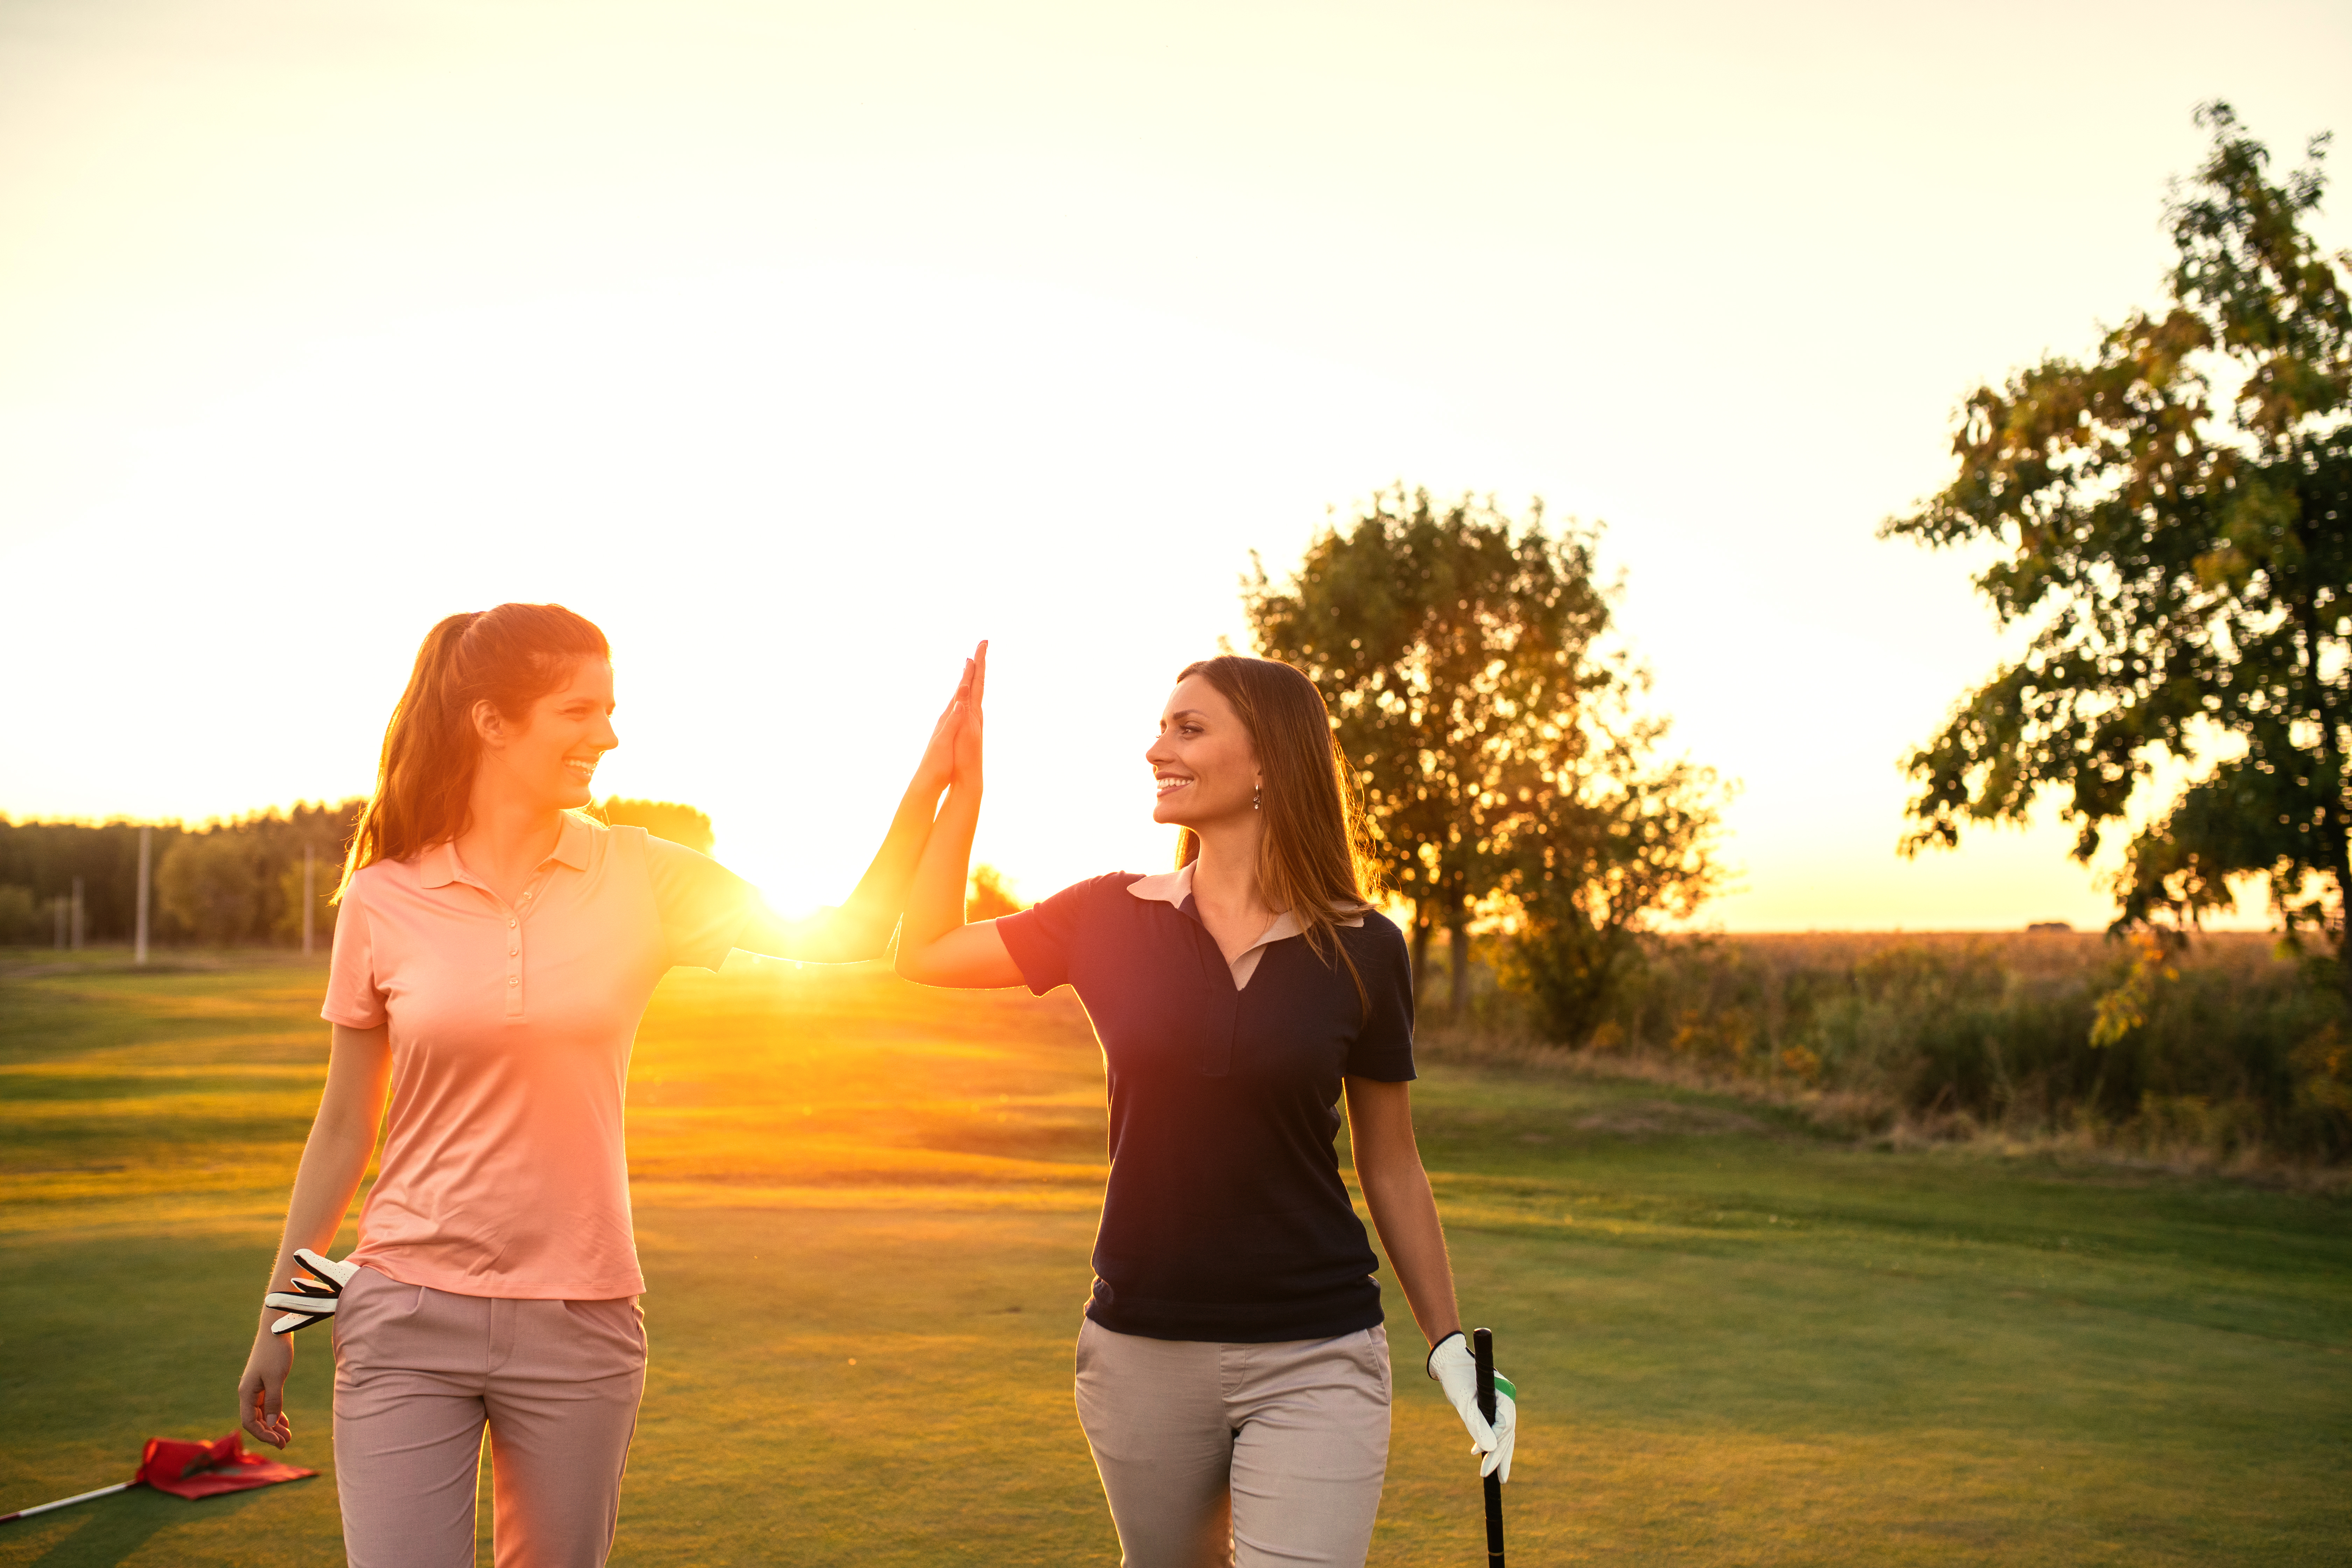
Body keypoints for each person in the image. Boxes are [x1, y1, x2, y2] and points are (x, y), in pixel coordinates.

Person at [234, 603, 979, 1568]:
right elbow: (343, 1131)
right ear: (493, 723)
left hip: (580, 1322)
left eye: (611, 709)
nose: (609, 735)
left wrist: (933, 780)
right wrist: (280, 1316)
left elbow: (852, 933)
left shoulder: (641, 875)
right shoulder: (385, 896)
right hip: (403, 1314)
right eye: (578, 711)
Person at [895, 650, 1516, 1568]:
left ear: (1268, 760)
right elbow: (927, 950)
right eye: (1161, 728)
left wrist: (1448, 1349)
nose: (1157, 750)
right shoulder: (1107, 915)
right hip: (1140, 1350)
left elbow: (1392, 1163)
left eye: (1188, 729)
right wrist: (960, 785)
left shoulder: (1365, 947)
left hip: (1319, 1349)